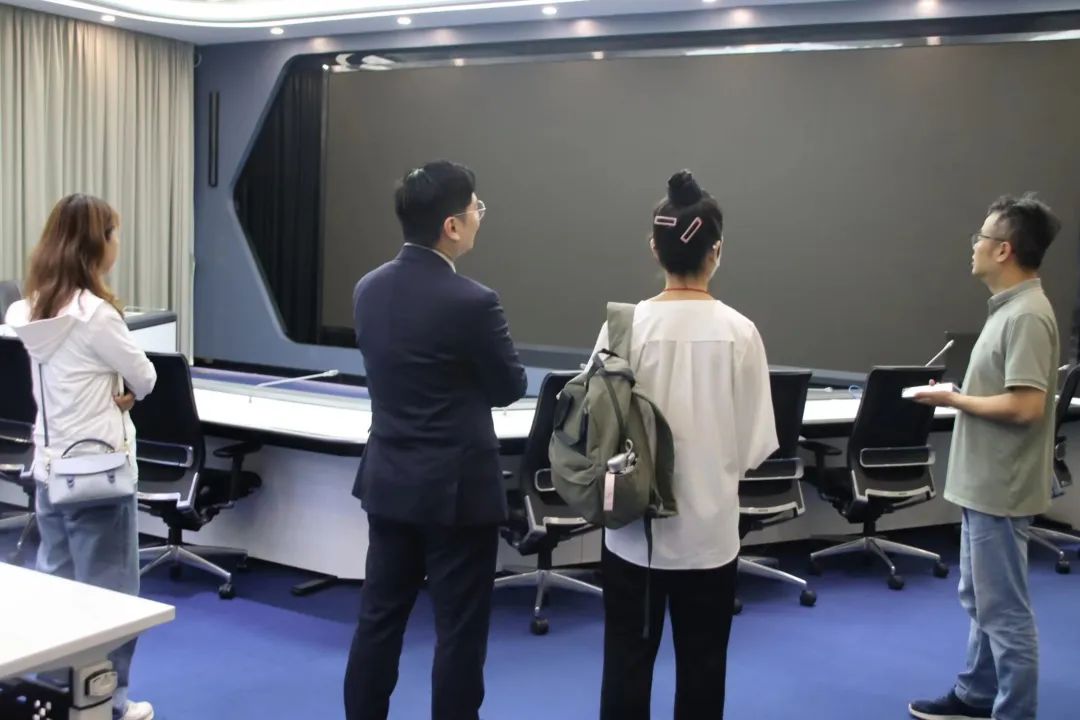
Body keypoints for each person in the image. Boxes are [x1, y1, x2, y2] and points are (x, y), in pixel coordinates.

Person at [343, 161, 528, 720]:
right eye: (475, 208)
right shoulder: (473, 301)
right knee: (459, 631)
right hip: (457, 494)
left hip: (389, 482)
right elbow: (509, 387)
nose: (479, 217)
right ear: (451, 225)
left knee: (379, 620)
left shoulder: (368, 289)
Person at [594, 170, 778, 720]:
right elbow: (754, 446)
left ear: (655, 248)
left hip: (632, 534)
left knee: (625, 666)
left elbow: (596, 429)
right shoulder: (741, 333)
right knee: (703, 669)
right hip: (710, 536)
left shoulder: (621, 328)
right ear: (716, 251)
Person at [4, 193, 158, 720]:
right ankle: (108, 701)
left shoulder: (25, 310)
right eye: (113, 234)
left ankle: (56, 695)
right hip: (99, 474)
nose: (118, 243)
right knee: (112, 598)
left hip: (49, 470)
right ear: (97, 244)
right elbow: (146, 377)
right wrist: (124, 389)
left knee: (58, 588)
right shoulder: (97, 315)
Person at [910, 194, 1062, 720]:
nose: (973, 245)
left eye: (981, 236)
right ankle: (976, 694)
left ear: (1004, 250)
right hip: (983, 484)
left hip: (1001, 487)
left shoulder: (1028, 316)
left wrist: (954, 400)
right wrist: (960, 395)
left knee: (1005, 612)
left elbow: (1026, 406)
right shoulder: (1008, 311)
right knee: (982, 600)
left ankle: (1014, 711)